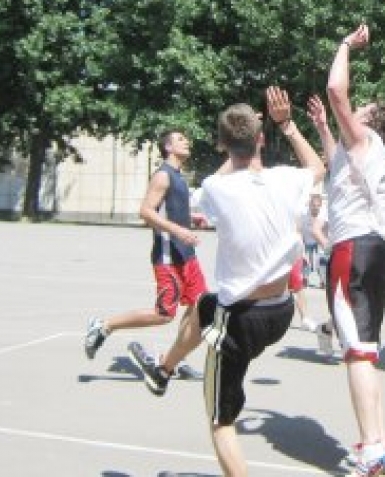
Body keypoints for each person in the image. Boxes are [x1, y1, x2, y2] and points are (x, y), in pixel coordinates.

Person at [131, 87, 325, 477]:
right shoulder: (287, 179)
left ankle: (166, 371)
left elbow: (207, 186)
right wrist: (286, 123)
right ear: (261, 140)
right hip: (281, 311)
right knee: (203, 305)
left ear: (222, 144)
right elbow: (318, 165)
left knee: (221, 422)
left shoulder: (218, 189)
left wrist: (235, 140)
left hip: (240, 321)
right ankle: (164, 370)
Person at [309, 24, 385, 477]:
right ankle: (380, 441)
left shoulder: (366, 140)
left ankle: (371, 448)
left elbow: (335, 88)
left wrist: (346, 45)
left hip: (355, 248)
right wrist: (321, 128)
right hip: (381, 250)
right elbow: (335, 166)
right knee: (366, 346)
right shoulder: (366, 152)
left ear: (369, 121)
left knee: (356, 352)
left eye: (363, 109)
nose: (360, 108)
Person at [83, 128, 205, 381]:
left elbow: (170, 210)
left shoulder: (179, 176)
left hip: (187, 255)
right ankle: (104, 326)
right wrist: (179, 230)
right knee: (164, 314)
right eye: (181, 139)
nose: (187, 142)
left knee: (198, 308)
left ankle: (173, 360)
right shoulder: (162, 175)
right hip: (168, 256)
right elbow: (146, 212)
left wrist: (191, 219)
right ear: (168, 147)